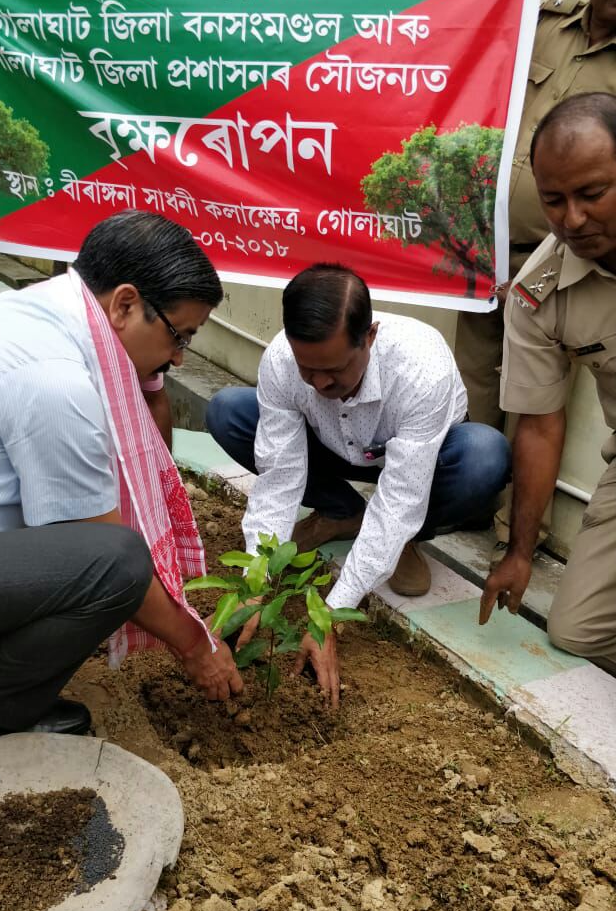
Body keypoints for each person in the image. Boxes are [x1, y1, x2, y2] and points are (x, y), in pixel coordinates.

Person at [0, 210, 242, 746]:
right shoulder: (52, 383)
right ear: (124, 304)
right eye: (178, 336)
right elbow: (100, 556)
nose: (179, 358)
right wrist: (195, 644)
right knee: (117, 562)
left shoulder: (34, 311)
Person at [207, 264, 511, 706]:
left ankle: (406, 540)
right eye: (308, 370)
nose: (321, 382)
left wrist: (329, 613)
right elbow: (280, 474)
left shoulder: (422, 368)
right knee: (229, 410)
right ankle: (341, 512)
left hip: (423, 459)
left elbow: (403, 493)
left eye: (334, 369)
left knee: (485, 456)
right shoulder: (281, 360)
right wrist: (256, 578)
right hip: (332, 444)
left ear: (368, 337)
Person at [456, 0, 616, 558]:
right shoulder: (542, 24)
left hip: (571, 263)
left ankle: (516, 530)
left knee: (541, 402)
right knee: (474, 383)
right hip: (482, 245)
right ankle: (464, 503)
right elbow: (470, 47)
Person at [480, 92, 616, 674]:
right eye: (553, 199)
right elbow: (538, 422)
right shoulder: (541, 290)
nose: (572, 220)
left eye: (592, 193)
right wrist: (519, 553)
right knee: (575, 631)